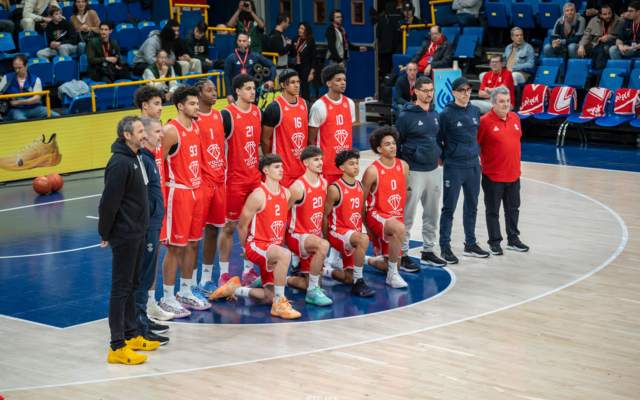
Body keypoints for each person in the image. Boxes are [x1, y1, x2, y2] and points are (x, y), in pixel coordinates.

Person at [98, 115, 160, 365]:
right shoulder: (120, 163)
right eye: (139, 131)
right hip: (123, 235)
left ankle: (131, 335)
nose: (144, 134)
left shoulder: (135, 157)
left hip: (137, 232)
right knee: (121, 290)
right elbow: (108, 203)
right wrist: (105, 234)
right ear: (127, 135)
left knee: (133, 284)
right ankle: (116, 347)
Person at [211, 154, 302, 320]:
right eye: (276, 167)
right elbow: (242, 225)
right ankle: (280, 304)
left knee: (268, 297)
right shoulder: (258, 195)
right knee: (285, 254)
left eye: (281, 166)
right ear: (265, 170)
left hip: (272, 250)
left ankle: (234, 290)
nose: (281, 169)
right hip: (257, 245)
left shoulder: (286, 193)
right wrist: (245, 248)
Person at [158, 85, 211, 318]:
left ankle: (186, 292)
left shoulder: (196, 127)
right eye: (192, 103)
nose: (196, 107)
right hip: (177, 193)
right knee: (176, 247)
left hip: (196, 191)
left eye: (196, 103)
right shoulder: (171, 130)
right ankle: (167, 297)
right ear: (180, 106)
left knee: (193, 243)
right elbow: (158, 163)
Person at [133, 86, 176, 325]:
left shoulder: (157, 133)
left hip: (158, 199)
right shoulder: (139, 132)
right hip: (143, 206)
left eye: (161, 103)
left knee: (154, 253)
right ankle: (143, 305)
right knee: (145, 258)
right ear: (144, 107)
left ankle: (148, 302)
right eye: (156, 103)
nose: (160, 107)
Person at [394, 76, 446, 270]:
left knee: (432, 214)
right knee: (408, 215)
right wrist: (401, 170)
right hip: (413, 171)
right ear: (415, 91)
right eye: (424, 90)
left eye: (431, 90)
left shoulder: (435, 113)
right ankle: (404, 254)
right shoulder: (406, 116)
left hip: (433, 170)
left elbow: (438, 139)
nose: (429, 94)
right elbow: (396, 145)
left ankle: (428, 251)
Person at [217, 74, 263, 288]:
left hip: (254, 179)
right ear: (237, 91)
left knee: (253, 227)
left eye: (254, 88)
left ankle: (248, 270)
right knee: (229, 226)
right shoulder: (226, 115)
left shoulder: (257, 112)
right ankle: (224, 274)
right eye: (248, 88)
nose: (253, 92)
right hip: (233, 181)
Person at [308, 63, 355, 270]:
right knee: (323, 213)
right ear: (328, 83)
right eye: (338, 80)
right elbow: (311, 141)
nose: (343, 83)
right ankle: (319, 253)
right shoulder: (319, 106)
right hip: (326, 169)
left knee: (342, 214)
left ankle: (335, 255)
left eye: (344, 79)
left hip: (345, 170)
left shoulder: (349, 104)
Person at [437, 77, 489, 264]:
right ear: (454, 93)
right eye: (462, 90)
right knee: (449, 208)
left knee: (472, 207)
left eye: (468, 90)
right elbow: (438, 140)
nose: (466, 93)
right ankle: (445, 248)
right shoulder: (446, 114)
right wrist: (446, 159)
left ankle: (470, 244)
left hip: (474, 166)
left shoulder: (475, 111)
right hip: (454, 167)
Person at [477, 86, 530, 255]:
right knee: (493, 211)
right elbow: (475, 145)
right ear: (492, 103)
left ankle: (513, 239)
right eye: (502, 101)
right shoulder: (484, 121)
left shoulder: (515, 118)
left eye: (508, 101)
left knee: (513, 209)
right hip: (493, 175)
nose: (506, 104)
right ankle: (494, 242)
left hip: (514, 174)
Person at [321, 149, 376, 297]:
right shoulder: (334, 188)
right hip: (337, 232)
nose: (356, 166)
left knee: (348, 278)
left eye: (357, 163)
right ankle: (359, 281)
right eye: (351, 164)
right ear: (342, 168)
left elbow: (362, 211)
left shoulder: (359, 186)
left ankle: (324, 271)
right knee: (363, 239)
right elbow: (324, 216)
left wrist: (368, 228)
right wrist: (327, 240)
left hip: (352, 235)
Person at [360, 126, 410, 288]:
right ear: (379, 149)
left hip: (396, 217)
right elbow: (361, 200)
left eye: (394, 143)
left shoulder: (403, 166)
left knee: (391, 264)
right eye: (387, 144)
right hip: (377, 214)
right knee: (400, 229)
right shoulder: (372, 170)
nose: (393, 146)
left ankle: (364, 259)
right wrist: (366, 226)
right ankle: (392, 276)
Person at [283, 146, 333, 306]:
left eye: (321, 158)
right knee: (323, 245)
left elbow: (323, 213)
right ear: (305, 162)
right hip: (296, 236)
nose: (320, 162)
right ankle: (312, 293)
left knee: (311, 283)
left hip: (313, 239)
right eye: (316, 159)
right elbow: (283, 212)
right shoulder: (297, 187)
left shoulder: (324, 182)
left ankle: (270, 280)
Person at [136, 117, 171, 345]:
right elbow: (141, 196)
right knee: (142, 278)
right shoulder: (143, 160)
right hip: (146, 227)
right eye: (158, 131)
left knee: (147, 275)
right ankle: (139, 326)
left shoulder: (150, 157)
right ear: (145, 135)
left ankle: (143, 320)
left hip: (153, 224)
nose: (162, 135)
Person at [192, 78, 226, 297]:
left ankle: (206, 279)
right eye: (209, 90)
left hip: (219, 182)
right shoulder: (193, 119)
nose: (214, 93)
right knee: (194, 235)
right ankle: (191, 283)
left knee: (214, 229)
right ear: (198, 93)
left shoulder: (218, 115)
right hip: (201, 184)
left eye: (215, 89)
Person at [261, 69, 310, 188]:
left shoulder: (306, 104)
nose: (297, 85)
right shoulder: (274, 107)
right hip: (282, 172)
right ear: (282, 85)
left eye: (298, 81)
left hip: (303, 170)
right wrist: (271, 163)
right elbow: (264, 140)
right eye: (292, 82)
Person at [0, 55, 61, 121]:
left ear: (26, 65)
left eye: (19, 68)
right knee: (21, 119)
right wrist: (5, 98)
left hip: (35, 108)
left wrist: (20, 102)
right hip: (16, 109)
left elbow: (36, 99)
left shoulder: (35, 79)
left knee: (57, 116)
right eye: (15, 68)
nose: (17, 70)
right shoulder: (6, 78)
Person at [223, 32, 276, 104]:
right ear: (237, 42)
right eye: (239, 41)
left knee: (253, 112)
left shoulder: (255, 56)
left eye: (244, 41)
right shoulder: (231, 57)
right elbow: (226, 76)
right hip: (238, 92)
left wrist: (271, 80)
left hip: (252, 91)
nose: (241, 43)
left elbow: (272, 65)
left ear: (249, 42)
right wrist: (229, 94)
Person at [578, 4, 623, 70]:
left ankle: (606, 70)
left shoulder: (620, 21)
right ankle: (584, 73)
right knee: (580, 51)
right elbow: (586, 35)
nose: (608, 16)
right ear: (600, 15)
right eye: (604, 14)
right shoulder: (593, 21)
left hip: (611, 44)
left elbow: (622, 37)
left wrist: (609, 37)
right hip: (595, 44)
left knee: (605, 48)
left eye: (609, 13)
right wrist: (581, 45)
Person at [288, 21, 316, 103]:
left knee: (305, 87)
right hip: (295, 67)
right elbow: (291, 54)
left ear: (306, 31)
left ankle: (306, 107)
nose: (300, 30)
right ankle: (293, 104)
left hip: (306, 67)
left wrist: (312, 72)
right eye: (299, 28)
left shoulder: (310, 42)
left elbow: (314, 58)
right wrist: (288, 46)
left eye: (302, 29)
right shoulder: (294, 39)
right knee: (293, 86)